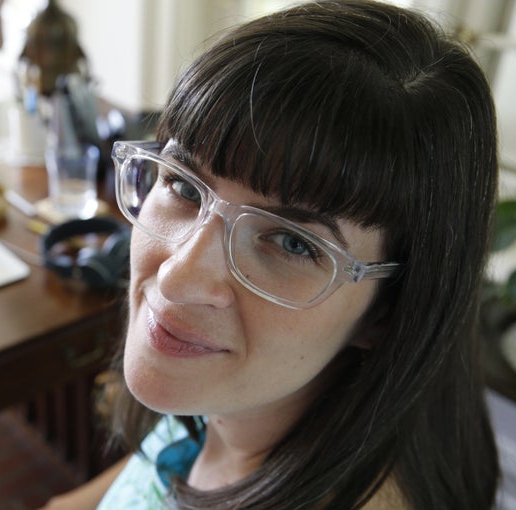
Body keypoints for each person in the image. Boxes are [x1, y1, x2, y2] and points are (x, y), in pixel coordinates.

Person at [40, 0, 500, 508]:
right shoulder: (235, 402)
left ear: (388, 311)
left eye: (291, 242)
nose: (177, 278)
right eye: (183, 186)